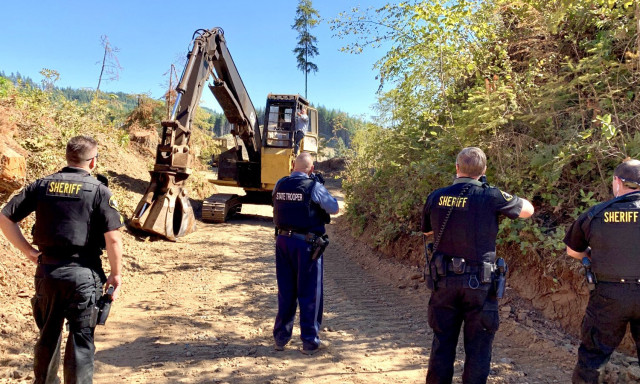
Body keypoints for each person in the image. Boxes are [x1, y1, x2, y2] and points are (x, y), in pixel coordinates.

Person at [0, 135, 124, 384]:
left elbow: (5, 218)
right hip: (84, 276)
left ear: (68, 157)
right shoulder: (99, 190)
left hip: (48, 272)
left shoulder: (42, 185)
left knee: (48, 337)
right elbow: (113, 239)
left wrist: (29, 252)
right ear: (92, 162)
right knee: (81, 340)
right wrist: (116, 274)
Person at [421, 147, 534, 383]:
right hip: (479, 285)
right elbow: (527, 211)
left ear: (457, 168)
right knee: (479, 349)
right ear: (483, 171)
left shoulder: (436, 195)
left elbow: (428, 230)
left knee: (442, 344)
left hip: (444, 282)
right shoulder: (491, 195)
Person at [564, 159, 640, 384]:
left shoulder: (595, 214)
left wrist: (592, 254)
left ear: (617, 182)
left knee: (593, 358)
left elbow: (572, 250)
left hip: (608, 295)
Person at [272, 152, 339, 354]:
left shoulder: (279, 184)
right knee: (309, 293)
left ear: (293, 166)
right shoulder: (314, 187)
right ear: (311, 169)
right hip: (307, 245)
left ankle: (281, 340)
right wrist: (319, 186)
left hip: (282, 242)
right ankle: (310, 342)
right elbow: (334, 208)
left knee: (286, 291)